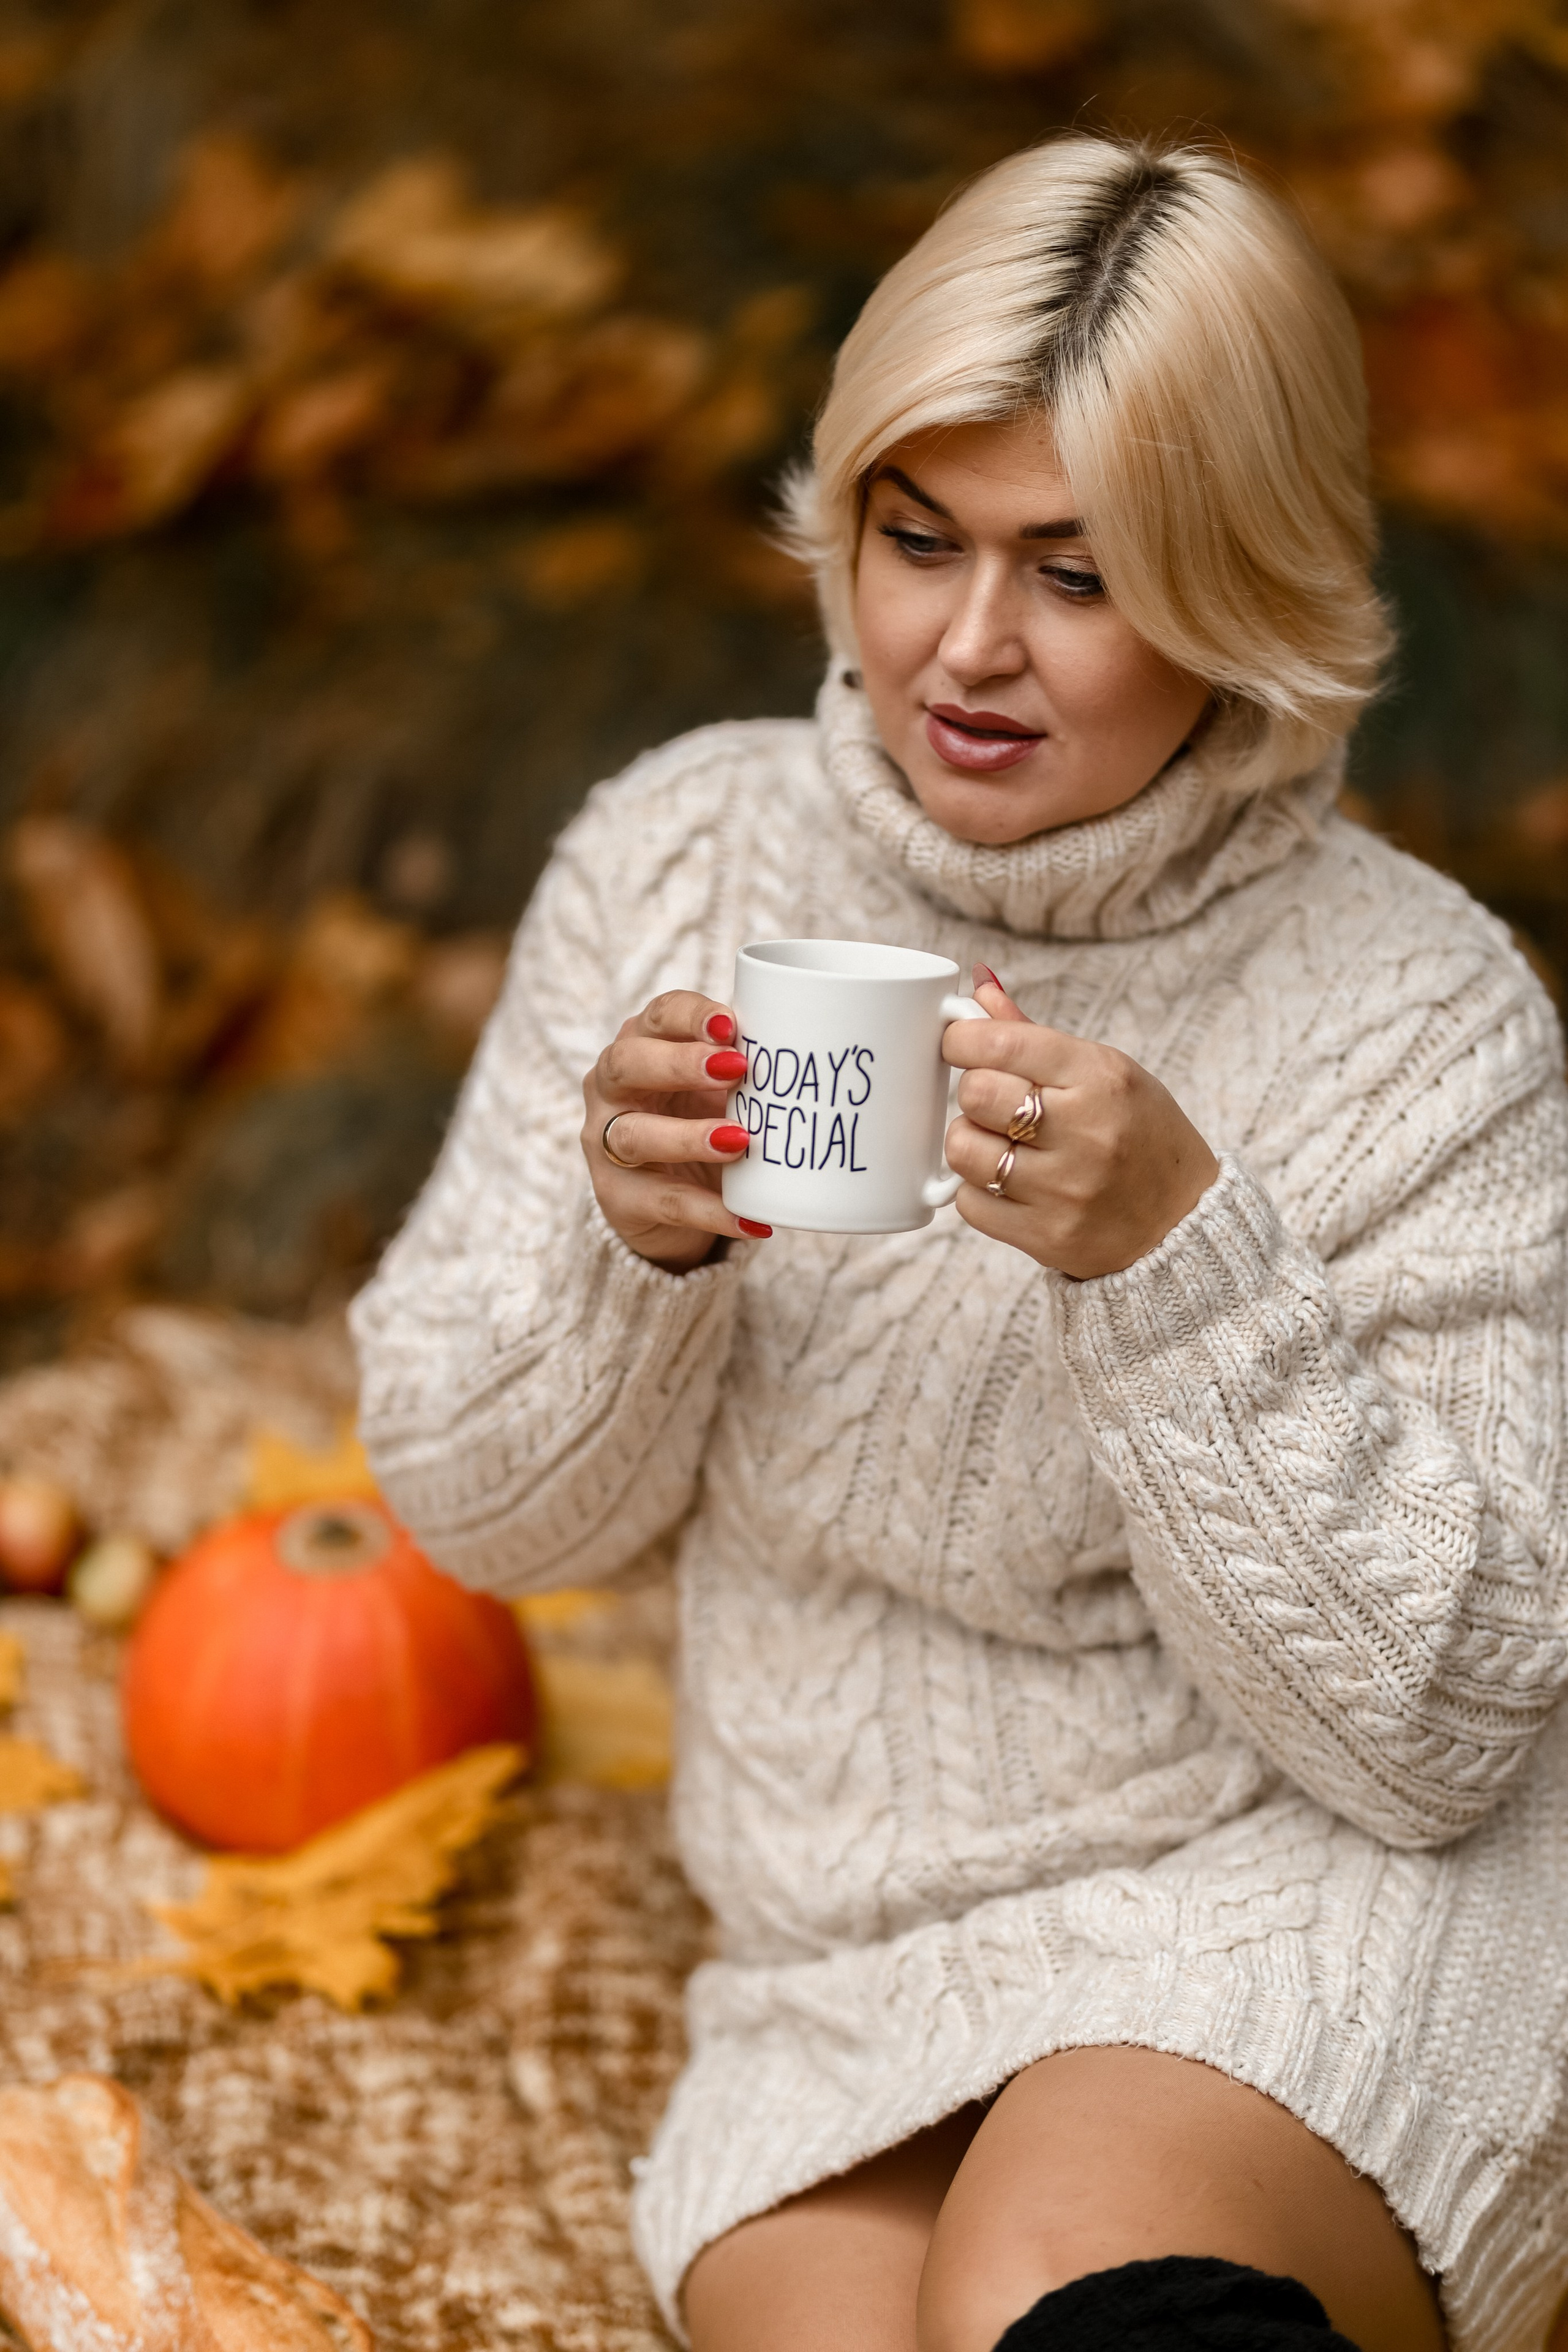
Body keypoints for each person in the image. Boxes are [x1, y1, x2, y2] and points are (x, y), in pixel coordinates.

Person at [350, 132, 1568, 2352]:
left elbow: (1444, 1732)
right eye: (920, 542)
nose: (970, 649)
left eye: (1082, 577)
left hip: (1279, 1892)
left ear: (1243, 589)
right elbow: (483, 1518)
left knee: (1057, 2291)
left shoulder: (1422, 1011)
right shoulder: (685, 849)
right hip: (833, 1965)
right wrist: (636, 1261)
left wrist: (1176, 1260)